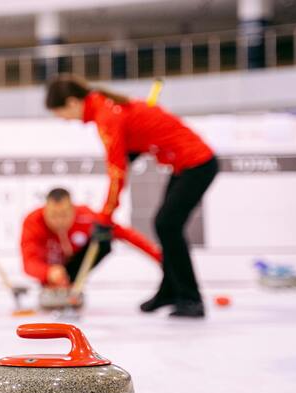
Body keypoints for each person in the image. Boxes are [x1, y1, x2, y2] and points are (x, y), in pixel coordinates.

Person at [45, 75, 217, 318]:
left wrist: (105, 216)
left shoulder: (106, 116)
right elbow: (135, 142)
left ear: (72, 102)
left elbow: (117, 173)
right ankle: (170, 290)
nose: (63, 119)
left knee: (167, 225)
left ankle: (190, 298)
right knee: (165, 225)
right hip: (183, 166)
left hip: (198, 164)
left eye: (60, 113)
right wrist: (134, 148)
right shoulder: (106, 107)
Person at [21, 187, 161, 287]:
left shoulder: (86, 216)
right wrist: (48, 272)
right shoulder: (33, 221)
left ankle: (72, 281)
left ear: (73, 210)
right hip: (48, 269)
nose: (59, 221)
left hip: (75, 267)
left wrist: (159, 256)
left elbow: (125, 233)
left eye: (64, 215)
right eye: (53, 215)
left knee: (103, 238)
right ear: (45, 210)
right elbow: (29, 262)